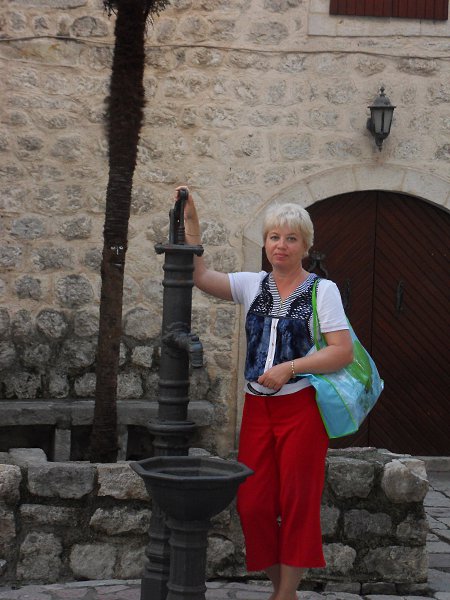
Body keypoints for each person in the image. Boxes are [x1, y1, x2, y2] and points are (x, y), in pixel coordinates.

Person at [176, 186, 353, 600]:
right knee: (252, 502)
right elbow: (200, 276)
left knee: (298, 502)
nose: (281, 245)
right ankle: (281, 590)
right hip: (257, 410)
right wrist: (191, 221)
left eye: (291, 238)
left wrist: (289, 368)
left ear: (305, 246)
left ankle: (284, 595)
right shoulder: (252, 285)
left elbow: (341, 352)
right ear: (265, 242)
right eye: (274, 236)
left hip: (302, 409)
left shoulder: (322, 291)